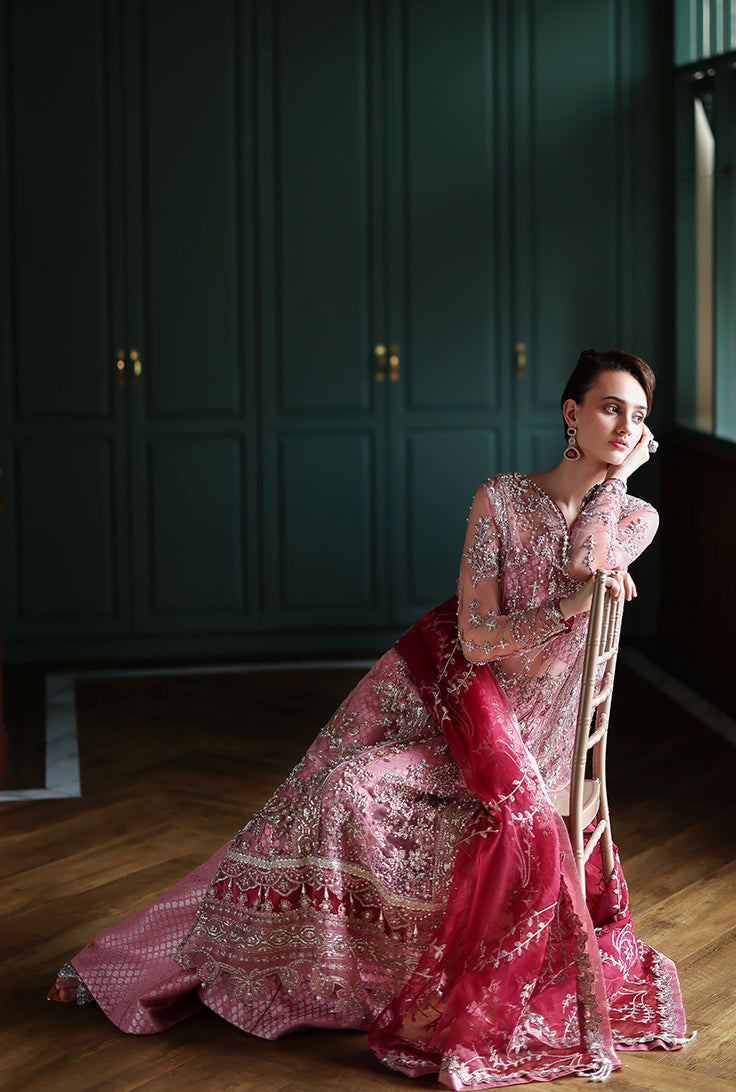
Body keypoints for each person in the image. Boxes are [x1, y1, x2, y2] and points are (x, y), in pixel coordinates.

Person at [50, 350, 690, 1088]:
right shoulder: (502, 498)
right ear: (572, 413)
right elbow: (478, 641)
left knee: (356, 790)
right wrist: (569, 604)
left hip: (532, 740)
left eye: (639, 416)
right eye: (610, 407)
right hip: (459, 706)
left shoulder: (634, 515)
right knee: (332, 785)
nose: (626, 426)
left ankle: (375, 980)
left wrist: (618, 481)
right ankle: (264, 969)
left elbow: (586, 561)